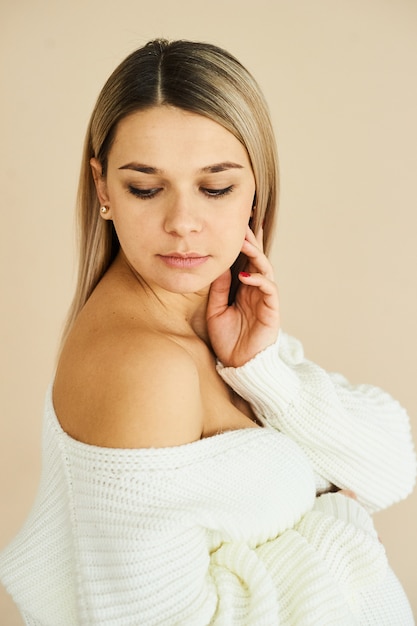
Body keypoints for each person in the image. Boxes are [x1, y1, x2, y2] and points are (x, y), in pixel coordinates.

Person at [0, 38, 415, 626]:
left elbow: (390, 467)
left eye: (216, 187)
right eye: (146, 188)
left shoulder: (211, 310)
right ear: (102, 189)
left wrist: (265, 369)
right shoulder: (143, 368)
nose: (183, 224)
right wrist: (336, 523)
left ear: (255, 189)